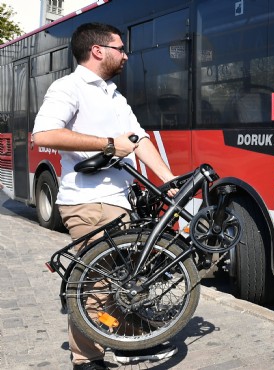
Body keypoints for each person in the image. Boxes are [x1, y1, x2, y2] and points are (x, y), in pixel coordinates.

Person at [33, 23, 178, 370]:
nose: (125, 55)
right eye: (120, 48)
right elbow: (44, 134)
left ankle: (125, 344)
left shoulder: (113, 94)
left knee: (120, 283)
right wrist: (108, 144)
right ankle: (86, 359)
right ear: (98, 50)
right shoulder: (68, 87)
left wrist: (170, 179)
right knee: (93, 284)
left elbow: (138, 139)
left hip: (117, 199)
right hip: (88, 201)